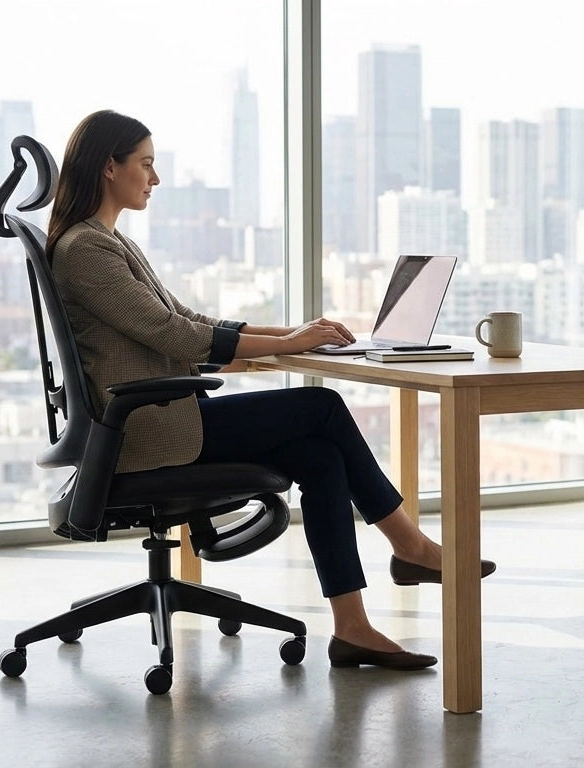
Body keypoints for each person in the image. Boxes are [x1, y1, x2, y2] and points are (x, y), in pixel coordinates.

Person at [46, 109, 493, 671]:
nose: (154, 178)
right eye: (147, 164)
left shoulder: (107, 242)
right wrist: (292, 342)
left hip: (163, 416)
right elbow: (173, 335)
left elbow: (186, 316)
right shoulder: (86, 250)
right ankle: (410, 546)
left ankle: (353, 628)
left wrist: (293, 334)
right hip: (149, 430)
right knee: (322, 405)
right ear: (110, 167)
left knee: (320, 455)